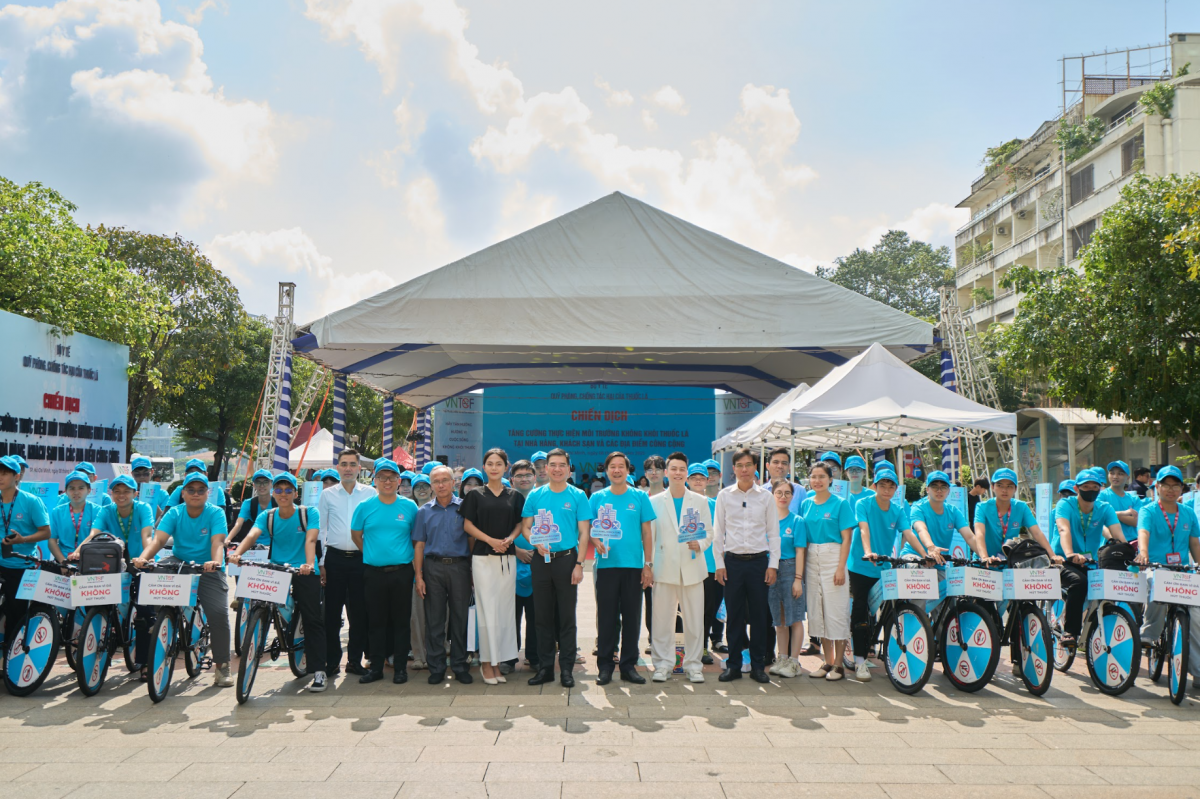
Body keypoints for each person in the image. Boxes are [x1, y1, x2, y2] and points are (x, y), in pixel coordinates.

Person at [230, 472, 328, 691]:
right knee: (261, 603)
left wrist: (308, 564)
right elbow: (252, 535)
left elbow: (311, 539)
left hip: (304, 570)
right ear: (273, 493)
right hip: (277, 568)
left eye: (288, 490)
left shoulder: (308, 513)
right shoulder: (268, 516)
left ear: (295, 493)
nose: (283, 494)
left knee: (312, 619)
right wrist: (237, 553)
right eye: (279, 490)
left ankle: (319, 671)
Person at [134, 472, 233, 687]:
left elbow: (217, 542)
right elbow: (158, 540)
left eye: (200, 490)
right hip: (180, 561)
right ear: (183, 493)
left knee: (218, 613)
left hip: (208, 566)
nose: (195, 494)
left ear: (207, 493)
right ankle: (162, 618)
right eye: (191, 490)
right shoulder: (175, 512)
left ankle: (222, 666)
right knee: (154, 573)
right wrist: (143, 558)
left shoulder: (216, 513)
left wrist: (215, 562)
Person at [521, 448, 594, 687]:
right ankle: (545, 669)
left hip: (567, 560)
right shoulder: (535, 495)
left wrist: (579, 564)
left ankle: (567, 670)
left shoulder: (578, 495)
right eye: (552, 464)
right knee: (542, 617)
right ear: (546, 468)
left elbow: (584, 533)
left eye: (562, 465)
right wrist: (535, 541)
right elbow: (526, 527)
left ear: (569, 469)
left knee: (566, 617)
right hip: (541, 561)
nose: (557, 469)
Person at [713, 448, 779, 683]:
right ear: (734, 469)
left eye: (748, 465)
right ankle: (733, 665)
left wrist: (773, 565)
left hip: (759, 563)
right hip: (732, 563)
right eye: (740, 465)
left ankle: (758, 666)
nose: (744, 469)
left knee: (760, 616)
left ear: (755, 468)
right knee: (734, 617)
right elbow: (718, 532)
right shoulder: (724, 496)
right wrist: (719, 564)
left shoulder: (766, 497)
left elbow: (774, 533)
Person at [350, 459, 418, 684]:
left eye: (391, 478)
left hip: (402, 572)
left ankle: (400, 669)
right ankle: (376, 668)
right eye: (382, 478)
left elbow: (416, 538)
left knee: (401, 622)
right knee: (376, 622)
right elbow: (356, 535)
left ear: (399, 481)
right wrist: (370, 553)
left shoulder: (410, 507)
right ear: (375, 480)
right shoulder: (365, 506)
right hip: (374, 573)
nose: (387, 482)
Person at [590, 451, 655, 685]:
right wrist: (595, 540)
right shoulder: (597, 498)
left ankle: (628, 666)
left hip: (633, 566)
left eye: (621, 466)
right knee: (607, 617)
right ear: (606, 471)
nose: (616, 470)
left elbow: (647, 532)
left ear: (628, 471)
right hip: (606, 566)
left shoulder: (640, 497)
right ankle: (605, 666)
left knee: (631, 617)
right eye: (612, 467)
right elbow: (588, 528)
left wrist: (648, 565)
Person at [461, 448, 525, 684]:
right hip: (483, 559)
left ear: (506, 467)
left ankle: (498, 662)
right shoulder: (475, 495)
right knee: (487, 611)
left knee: (504, 612)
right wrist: (490, 541)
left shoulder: (515, 496)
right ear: (484, 467)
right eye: (490, 463)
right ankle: (486, 663)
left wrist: (510, 539)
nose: (494, 467)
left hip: (507, 559)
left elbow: (520, 524)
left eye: (499, 464)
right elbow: (468, 525)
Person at [646, 452, 710, 682]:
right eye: (673, 469)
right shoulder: (654, 501)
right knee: (662, 620)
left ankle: (694, 666)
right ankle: (663, 664)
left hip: (692, 567)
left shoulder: (700, 501)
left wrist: (700, 544)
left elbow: (709, 532)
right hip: (664, 567)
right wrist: (648, 565)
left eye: (682, 469)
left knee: (694, 621)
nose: (678, 473)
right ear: (666, 472)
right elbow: (650, 537)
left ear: (687, 473)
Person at [1135, 465, 1200, 684]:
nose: (1171, 490)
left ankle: (1198, 671)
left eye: (1175, 485)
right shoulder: (1148, 511)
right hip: (1156, 566)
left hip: (1182, 571)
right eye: (1166, 485)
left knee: (1197, 615)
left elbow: (1194, 544)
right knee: (1157, 587)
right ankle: (1149, 635)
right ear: (1157, 487)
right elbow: (1143, 532)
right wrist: (1143, 553)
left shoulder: (1188, 513)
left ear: (1182, 488)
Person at [852, 468, 917, 682]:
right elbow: (864, 529)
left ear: (896, 489)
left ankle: (883, 652)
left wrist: (926, 553)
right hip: (861, 565)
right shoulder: (863, 504)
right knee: (860, 611)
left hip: (883, 567)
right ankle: (859, 660)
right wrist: (868, 551)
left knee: (886, 611)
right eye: (882, 485)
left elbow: (908, 533)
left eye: (891, 486)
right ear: (875, 486)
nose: (887, 490)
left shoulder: (897, 510)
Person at [318, 449, 376, 677]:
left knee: (359, 614)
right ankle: (332, 662)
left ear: (359, 468)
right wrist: (322, 562)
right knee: (331, 614)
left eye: (352, 464)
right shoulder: (327, 495)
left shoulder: (370, 493)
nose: (348, 468)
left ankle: (354, 661)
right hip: (334, 560)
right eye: (344, 464)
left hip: (361, 560)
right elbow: (322, 530)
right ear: (338, 467)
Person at [414, 465, 473, 684]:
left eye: (445, 480)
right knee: (434, 619)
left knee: (460, 618)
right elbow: (419, 545)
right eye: (436, 481)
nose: (441, 485)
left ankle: (460, 665)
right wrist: (419, 576)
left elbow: (471, 540)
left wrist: (472, 570)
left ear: (453, 482)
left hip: (460, 567)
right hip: (433, 568)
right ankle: (437, 667)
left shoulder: (465, 507)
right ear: (431, 485)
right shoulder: (424, 512)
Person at [1054, 468, 1124, 647]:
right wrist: (1069, 554)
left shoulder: (1104, 508)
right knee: (1079, 582)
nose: (1091, 490)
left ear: (1100, 488)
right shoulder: (1065, 505)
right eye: (1086, 486)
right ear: (1077, 488)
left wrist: (1129, 553)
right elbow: (1064, 529)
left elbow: (1118, 535)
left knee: (1110, 582)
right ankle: (1070, 632)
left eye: (1095, 486)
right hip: (1063, 560)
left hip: (1089, 562)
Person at [800, 461, 855, 681]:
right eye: (813, 476)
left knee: (836, 610)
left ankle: (839, 665)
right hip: (812, 558)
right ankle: (827, 661)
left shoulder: (841, 503)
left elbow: (847, 538)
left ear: (830, 479)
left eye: (822, 476)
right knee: (818, 611)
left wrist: (841, 567)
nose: (817, 481)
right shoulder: (806, 504)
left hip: (834, 558)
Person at [766, 478, 806, 679]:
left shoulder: (797, 521)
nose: (783, 497)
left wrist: (798, 579)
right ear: (772, 495)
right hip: (771, 569)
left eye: (787, 493)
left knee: (795, 617)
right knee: (779, 619)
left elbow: (800, 551)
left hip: (790, 569)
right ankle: (781, 658)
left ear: (792, 496)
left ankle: (794, 661)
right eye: (779, 493)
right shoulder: (767, 521)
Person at [974, 468, 1054, 562]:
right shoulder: (982, 507)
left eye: (1009, 486)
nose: (1004, 490)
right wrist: (984, 557)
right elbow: (980, 533)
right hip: (984, 562)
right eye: (1000, 485)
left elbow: (1037, 533)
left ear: (1015, 489)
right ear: (992, 487)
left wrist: (1052, 555)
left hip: (1009, 562)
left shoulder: (1021, 507)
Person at [687, 464, 723, 662]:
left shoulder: (714, 505)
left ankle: (702, 648)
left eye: (702, 478)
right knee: (686, 609)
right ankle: (683, 648)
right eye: (694, 478)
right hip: (685, 564)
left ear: (707, 481)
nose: (698, 481)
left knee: (707, 609)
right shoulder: (680, 502)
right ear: (688, 481)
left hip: (708, 565)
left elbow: (720, 534)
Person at [505, 459, 538, 675]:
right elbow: (497, 531)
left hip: (539, 564)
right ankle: (509, 659)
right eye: (519, 476)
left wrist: (538, 551)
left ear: (535, 478)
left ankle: (534, 657)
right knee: (510, 616)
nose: (524, 479)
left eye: (527, 475)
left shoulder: (542, 500)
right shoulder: (506, 503)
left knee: (536, 616)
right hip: (510, 565)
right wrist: (515, 550)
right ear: (511, 480)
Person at [903, 471, 978, 563]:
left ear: (948, 491)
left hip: (938, 561)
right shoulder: (918, 508)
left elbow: (970, 537)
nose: (939, 490)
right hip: (914, 557)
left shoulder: (953, 511)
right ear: (927, 489)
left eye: (943, 487)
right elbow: (921, 530)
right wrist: (931, 547)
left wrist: (985, 556)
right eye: (934, 486)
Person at [48, 471, 100, 564]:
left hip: (90, 562)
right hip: (63, 562)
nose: (76, 492)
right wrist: (63, 563)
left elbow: (97, 539)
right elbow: (52, 541)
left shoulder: (98, 511)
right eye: (72, 488)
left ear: (89, 490)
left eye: (81, 488)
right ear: (66, 491)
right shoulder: (57, 512)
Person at [1099, 461, 1142, 546]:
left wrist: (1110, 515)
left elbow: (1136, 522)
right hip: (1110, 542)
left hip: (1133, 542)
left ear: (1128, 477)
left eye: (1120, 474)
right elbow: (1098, 516)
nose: (1115, 477)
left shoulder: (1134, 499)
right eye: (1112, 473)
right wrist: (1125, 513)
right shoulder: (1102, 496)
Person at [229, 469, 275, 545]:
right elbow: (238, 524)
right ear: (254, 485)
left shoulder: (278, 502)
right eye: (258, 482)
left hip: (276, 545)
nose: (262, 486)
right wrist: (228, 539)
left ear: (271, 484)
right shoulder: (248, 503)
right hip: (254, 545)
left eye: (265, 482)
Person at [766, 448, 808, 513]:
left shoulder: (799, 491)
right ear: (768, 466)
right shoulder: (760, 492)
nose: (780, 466)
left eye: (784, 463)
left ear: (789, 467)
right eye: (776, 462)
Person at [130, 455, 170, 523]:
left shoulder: (162, 494)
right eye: (137, 474)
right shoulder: (128, 493)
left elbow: (165, 521)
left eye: (146, 474)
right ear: (132, 474)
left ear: (152, 472)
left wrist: (151, 500)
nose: (142, 477)